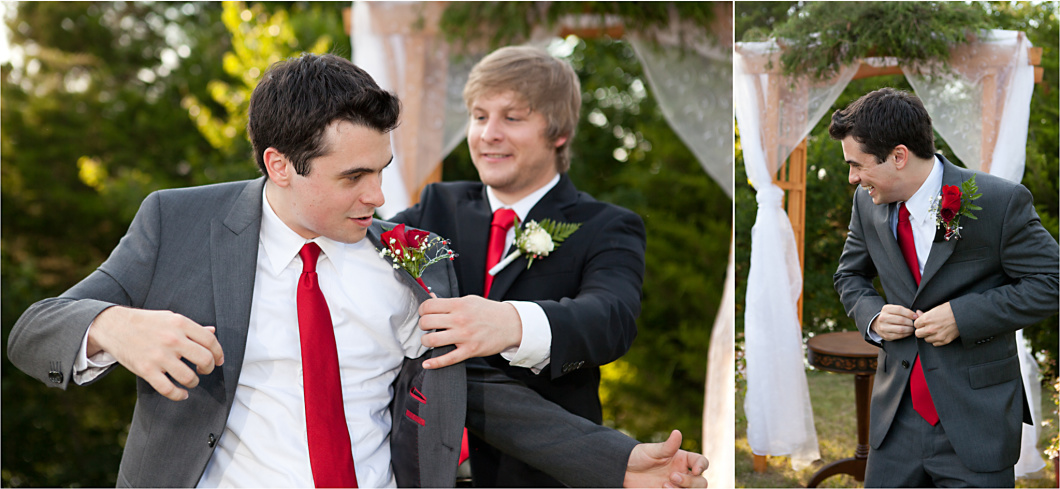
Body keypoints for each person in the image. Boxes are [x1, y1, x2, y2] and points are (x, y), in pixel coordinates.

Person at [6, 53, 707, 488]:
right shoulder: (176, 223)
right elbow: (34, 332)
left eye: (383, 172)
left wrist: (615, 461)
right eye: (354, 176)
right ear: (278, 164)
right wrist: (112, 325)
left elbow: (482, 393)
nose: (379, 198)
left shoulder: (409, 255)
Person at [390, 45, 645, 487]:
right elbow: (358, 251)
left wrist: (511, 324)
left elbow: (611, 318)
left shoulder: (605, 226)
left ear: (558, 132)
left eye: (512, 118)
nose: (488, 134)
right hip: (423, 469)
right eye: (479, 116)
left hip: (543, 475)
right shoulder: (437, 207)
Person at [830, 87, 1059, 487]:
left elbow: (1052, 281)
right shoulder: (867, 205)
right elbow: (849, 276)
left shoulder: (998, 202)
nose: (852, 178)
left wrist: (964, 316)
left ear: (899, 156)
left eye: (857, 165)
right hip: (894, 421)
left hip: (977, 422)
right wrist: (874, 316)